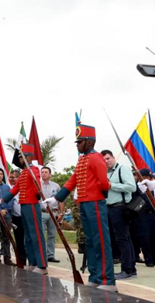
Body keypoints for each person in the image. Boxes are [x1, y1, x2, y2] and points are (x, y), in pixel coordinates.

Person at [47, 122, 115, 291]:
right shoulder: (82, 159)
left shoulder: (96, 157)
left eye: (80, 142)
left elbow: (104, 183)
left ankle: (107, 280)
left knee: (101, 241)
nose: (77, 145)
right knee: (90, 242)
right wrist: (56, 199)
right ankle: (95, 276)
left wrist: (100, 196)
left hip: (95, 204)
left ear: (89, 142)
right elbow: (73, 181)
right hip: (85, 204)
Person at [0, 143, 47, 274]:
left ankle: (42, 265)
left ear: (28, 157)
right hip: (24, 205)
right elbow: (15, 189)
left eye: (22, 157)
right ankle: (32, 262)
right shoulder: (24, 172)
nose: (19, 160)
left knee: (36, 234)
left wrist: (38, 191)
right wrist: (2, 200)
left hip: (32, 205)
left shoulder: (34, 170)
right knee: (28, 237)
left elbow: (37, 183)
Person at [102, 149, 137, 279]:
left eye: (108, 158)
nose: (106, 161)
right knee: (123, 239)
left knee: (123, 240)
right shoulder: (105, 173)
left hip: (120, 208)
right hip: (109, 208)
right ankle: (131, 269)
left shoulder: (123, 169)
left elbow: (132, 187)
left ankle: (127, 270)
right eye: (104, 160)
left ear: (113, 157)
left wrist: (112, 185)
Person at [39, 166, 64, 263]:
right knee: (41, 235)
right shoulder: (37, 185)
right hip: (41, 213)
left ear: (50, 174)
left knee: (51, 235)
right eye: (42, 172)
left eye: (46, 172)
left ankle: (50, 255)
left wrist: (61, 213)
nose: (44, 173)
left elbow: (61, 200)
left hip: (53, 213)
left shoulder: (56, 186)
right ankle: (42, 255)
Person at [8, 170, 28, 266]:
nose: (11, 179)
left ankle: (33, 261)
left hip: (26, 217)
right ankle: (21, 261)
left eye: (13, 177)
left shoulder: (24, 188)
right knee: (19, 240)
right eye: (10, 177)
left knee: (28, 239)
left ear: (19, 178)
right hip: (16, 218)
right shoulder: (9, 189)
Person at [136, 169, 155, 267]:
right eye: (147, 177)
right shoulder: (137, 187)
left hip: (153, 214)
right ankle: (149, 259)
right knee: (145, 238)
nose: (149, 178)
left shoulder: (152, 185)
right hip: (143, 215)